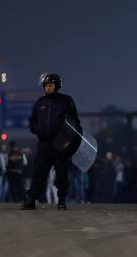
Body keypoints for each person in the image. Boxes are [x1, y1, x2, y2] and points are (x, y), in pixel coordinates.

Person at [22, 73, 82, 210]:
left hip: (60, 145)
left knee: (61, 174)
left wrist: (72, 142)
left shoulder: (66, 101)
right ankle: (31, 200)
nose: (47, 88)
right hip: (44, 144)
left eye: (50, 85)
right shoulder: (40, 103)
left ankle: (61, 201)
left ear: (56, 86)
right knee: (38, 172)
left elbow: (75, 123)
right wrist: (36, 130)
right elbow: (32, 121)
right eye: (46, 86)